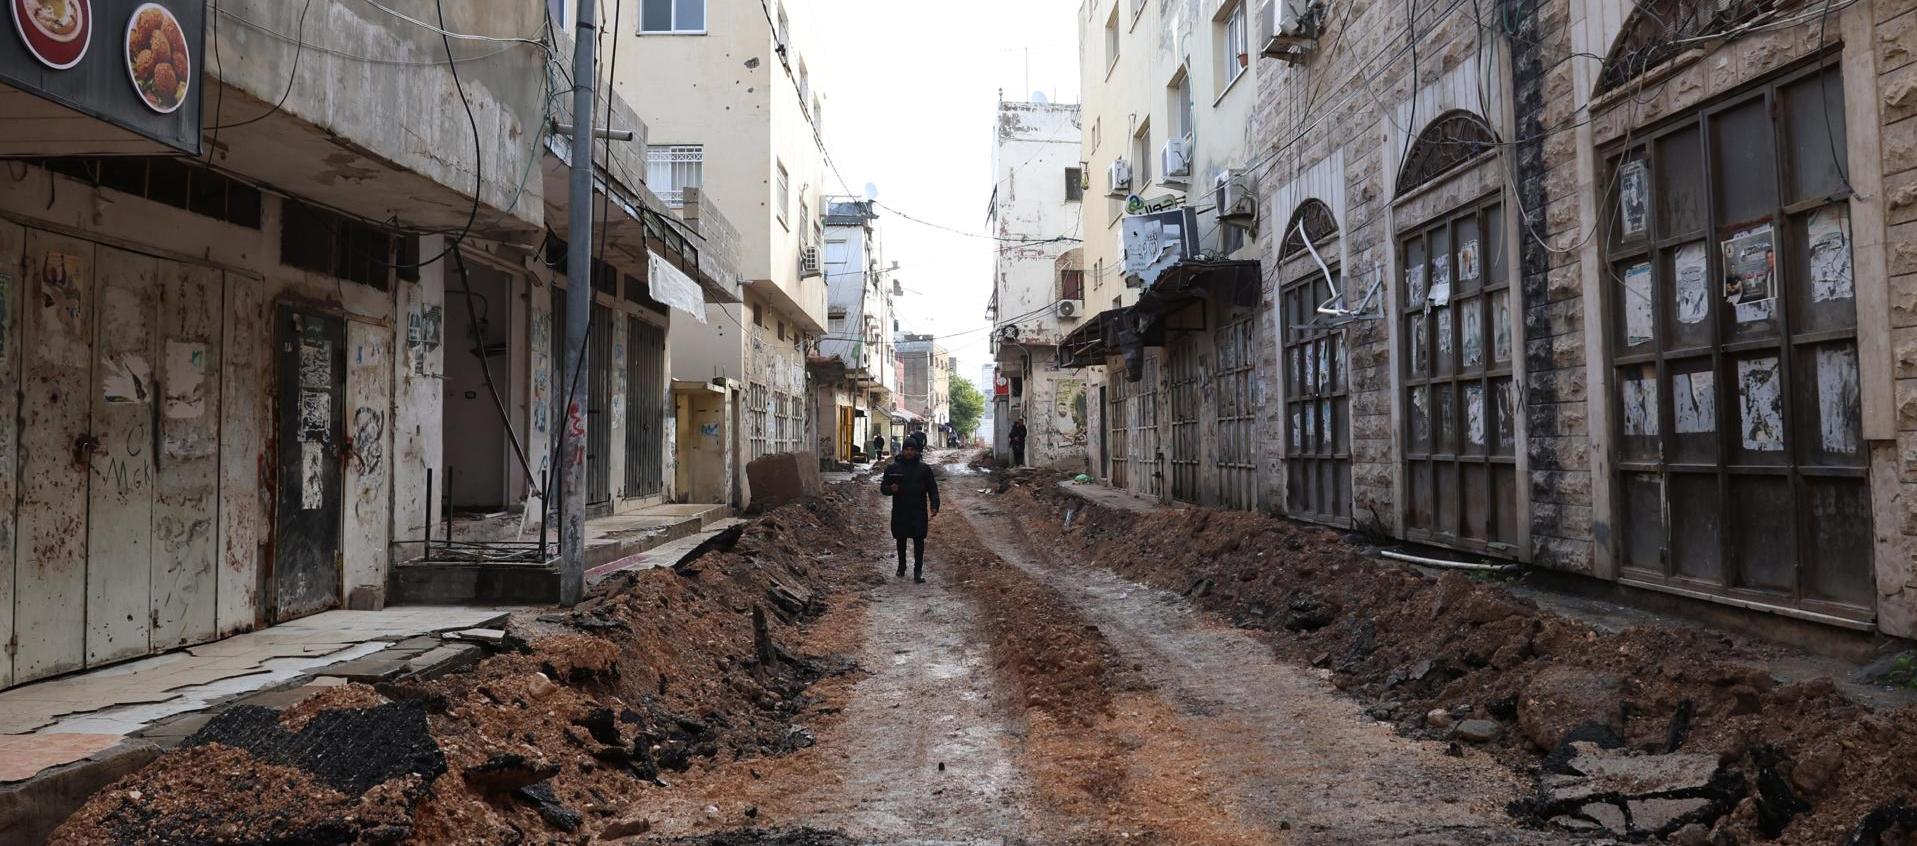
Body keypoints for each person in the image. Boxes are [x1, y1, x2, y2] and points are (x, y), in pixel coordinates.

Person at [879, 440, 940, 583]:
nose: (909, 452)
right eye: (907, 449)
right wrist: (890, 489)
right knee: (901, 538)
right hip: (900, 510)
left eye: (912, 449)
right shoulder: (893, 469)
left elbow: (932, 489)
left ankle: (918, 571)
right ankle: (902, 566)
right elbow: (883, 488)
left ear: (917, 451)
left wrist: (934, 505)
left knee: (919, 540)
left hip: (918, 511)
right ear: (902, 450)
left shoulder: (924, 469)